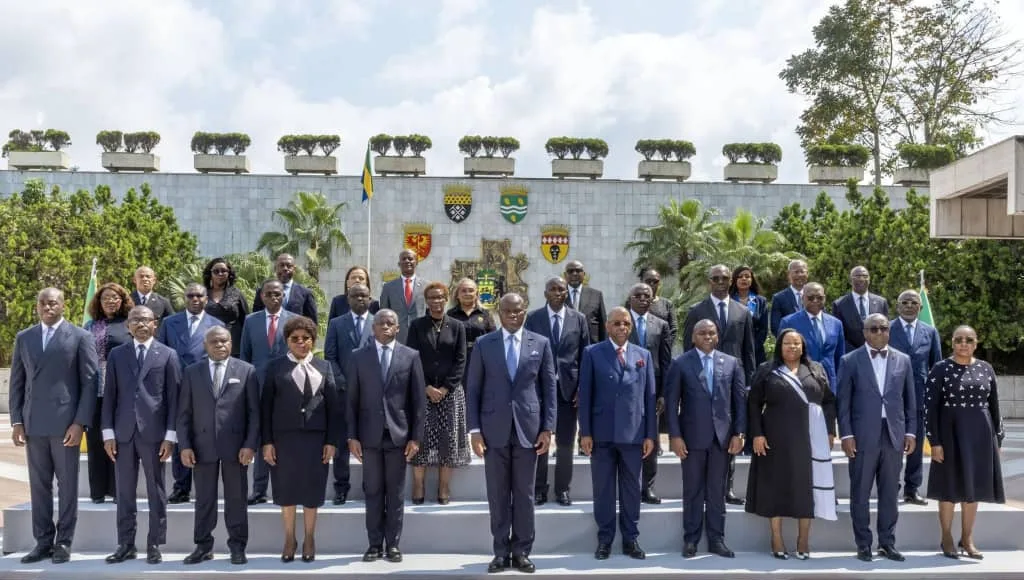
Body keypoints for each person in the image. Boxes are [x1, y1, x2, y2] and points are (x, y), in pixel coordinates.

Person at [466, 293, 557, 574]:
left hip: (528, 431)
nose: (513, 315)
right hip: (493, 431)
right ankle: (500, 552)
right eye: (507, 311)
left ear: (525, 312)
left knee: (525, 494)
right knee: (497, 494)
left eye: (518, 311)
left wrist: (548, 428)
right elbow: (473, 389)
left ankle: (522, 551)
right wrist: (475, 430)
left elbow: (549, 388)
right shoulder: (484, 344)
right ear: (499, 312)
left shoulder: (540, 344)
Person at [9, 288, 98, 565]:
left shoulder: (81, 337)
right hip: (34, 424)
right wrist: (17, 420)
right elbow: (17, 382)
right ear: (37, 306)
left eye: (53, 302)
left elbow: (90, 383)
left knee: (68, 486)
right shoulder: (25, 337)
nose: (47, 307)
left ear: (63, 305)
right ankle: (43, 541)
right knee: (39, 486)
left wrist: (80, 423)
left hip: (65, 426)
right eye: (42, 303)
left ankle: (64, 542)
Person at [746, 328, 837, 560]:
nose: (792, 347)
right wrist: (756, 434)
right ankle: (776, 537)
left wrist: (829, 430)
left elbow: (829, 402)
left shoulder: (815, 369)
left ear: (803, 346)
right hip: (774, 439)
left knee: (805, 486)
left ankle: (803, 538)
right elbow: (754, 404)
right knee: (774, 486)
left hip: (809, 440)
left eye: (797, 343)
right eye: (787, 343)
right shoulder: (767, 370)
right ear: (780, 346)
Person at [102, 305, 181, 565]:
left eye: (146, 320)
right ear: (128, 325)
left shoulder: (168, 355)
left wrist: (170, 436)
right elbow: (110, 396)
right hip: (123, 434)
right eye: (135, 320)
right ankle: (126, 544)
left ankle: (155, 544)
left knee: (156, 490)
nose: (141, 324)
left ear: (155, 324)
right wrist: (107, 433)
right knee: (124, 492)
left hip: (155, 435)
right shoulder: (116, 355)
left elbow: (174, 399)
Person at [347, 309, 427, 563]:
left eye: (390, 323)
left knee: (394, 492)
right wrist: (352, 436)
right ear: (373, 328)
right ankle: (373, 544)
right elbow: (351, 401)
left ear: (397, 328)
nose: (385, 327)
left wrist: (416, 437)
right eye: (380, 323)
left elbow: (418, 401)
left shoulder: (411, 356)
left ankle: (392, 544)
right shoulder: (359, 357)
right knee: (373, 491)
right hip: (369, 436)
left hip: (399, 436)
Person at [260, 316, 341, 563]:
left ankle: (308, 537)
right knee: (286, 490)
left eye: (306, 338)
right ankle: (288, 538)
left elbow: (334, 408)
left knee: (311, 491)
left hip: (316, 440)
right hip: (284, 440)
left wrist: (332, 441)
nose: (301, 343)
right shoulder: (275, 367)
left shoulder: (325, 367)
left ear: (312, 341)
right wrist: (267, 442)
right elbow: (265, 408)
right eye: (295, 339)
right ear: (287, 341)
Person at [837, 314, 916, 563]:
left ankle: (887, 543)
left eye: (883, 328)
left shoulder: (903, 360)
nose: (879, 332)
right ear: (864, 332)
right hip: (861, 436)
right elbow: (844, 403)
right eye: (873, 328)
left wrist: (911, 431)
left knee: (890, 492)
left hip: (893, 435)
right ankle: (863, 544)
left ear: (889, 331)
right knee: (860, 492)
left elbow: (910, 400)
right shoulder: (849, 360)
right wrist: (846, 434)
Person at [177, 327, 260, 565]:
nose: (220, 345)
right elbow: (184, 413)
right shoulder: (192, 372)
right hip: (202, 446)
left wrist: (250, 445)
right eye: (214, 342)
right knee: (204, 499)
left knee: (236, 498)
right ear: (205, 345)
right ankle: (203, 546)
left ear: (231, 343)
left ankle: (237, 546)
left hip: (236, 447)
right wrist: (185, 445)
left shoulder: (246, 371)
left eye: (224, 341)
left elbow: (254, 413)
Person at [578, 307, 656, 560]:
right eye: (617, 323)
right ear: (607, 326)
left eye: (626, 324)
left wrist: (650, 435)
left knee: (632, 489)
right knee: (603, 490)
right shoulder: (592, 353)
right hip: (601, 435)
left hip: (634, 435)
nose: (622, 327)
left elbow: (649, 397)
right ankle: (605, 540)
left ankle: (631, 539)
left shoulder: (643, 355)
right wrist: (585, 432)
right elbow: (586, 395)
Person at [665, 320, 746, 559]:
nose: (707, 336)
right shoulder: (680, 363)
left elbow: (739, 401)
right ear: (693, 337)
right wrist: (675, 436)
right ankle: (691, 539)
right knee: (692, 491)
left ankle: (716, 539)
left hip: (722, 439)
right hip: (691, 439)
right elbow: (671, 404)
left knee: (716, 492)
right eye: (702, 333)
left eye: (712, 333)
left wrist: (739, 433)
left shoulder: (732, 363)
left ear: (717, 336)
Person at [925, 325, 1005, 560]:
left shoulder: (986, 368)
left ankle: (967, 538)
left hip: (980, 437)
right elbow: (930, 409)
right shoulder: (940, 369)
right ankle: (947, 537)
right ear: (952, 342)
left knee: (973, 490)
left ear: (976, 343)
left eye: (969, 340)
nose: (963, 343)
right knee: (949, 489)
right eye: (959, 339)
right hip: (949, 436)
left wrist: (997, 441)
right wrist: (935, 441)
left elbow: (995, 407)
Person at [682, 264, 756, 505]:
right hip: (703, 381)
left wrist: (749, 384)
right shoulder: (696, 311)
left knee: (730, 433)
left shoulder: (742, 312)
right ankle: (705, 487)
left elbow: (749, 351)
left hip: (733, 381)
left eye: (725, 278)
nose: (721, 282)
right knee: (706, 435)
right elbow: (687, 349)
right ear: (709, 282)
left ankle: (727, 488)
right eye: (716, 278)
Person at [157, 283, 226, 504]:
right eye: (190, 295)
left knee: (204, 434)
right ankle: (181, 487)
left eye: (199, 295)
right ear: (184, 298)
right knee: (181, 434)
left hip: (205, 387)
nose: (195, 299)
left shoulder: (216, 325)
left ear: (207, 299)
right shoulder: (169, 323)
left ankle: (206, 487)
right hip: (176, 385)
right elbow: (161, 354)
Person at [526, 277, 590, 506]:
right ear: (545, 293)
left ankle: (563, 489)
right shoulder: (533, 318)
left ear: (567, 294)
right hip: (539, 390)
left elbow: (585, 356)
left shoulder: (579, 319)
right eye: (552, 289)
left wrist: (582, 387)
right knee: (540, 440)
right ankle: (539, 489)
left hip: (568, 390)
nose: (557, 293)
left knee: (565, 442)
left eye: (561, 289)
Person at [406, 283, 469, 504]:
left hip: (449, 393)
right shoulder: (416, 326)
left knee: (447, 440)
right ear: (427, 300)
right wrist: (425, 387)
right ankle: (419, 485)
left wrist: (444, 388)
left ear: (446, 299)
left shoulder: (457, 326)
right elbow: (411, 358)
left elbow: (461, 361)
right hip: (423, 391)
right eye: (432, 297)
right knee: (420, 438)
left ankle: (443, 487)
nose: (436, 301)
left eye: (441, 297)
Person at [239, 280, 294, 505]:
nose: (273, 297)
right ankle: (259, 489)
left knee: (283, 437)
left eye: (277, 294)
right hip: (257, 385)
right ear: (261, 296)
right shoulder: (251, 321)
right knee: (261, 436)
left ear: (283, 296)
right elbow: (245, 355)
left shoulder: (293, 320)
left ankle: (285, 489)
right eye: (268, 294)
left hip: (286, 387)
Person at [888, 290, 942, 505]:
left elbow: (936, 365)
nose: (909, 306)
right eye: (905, 302)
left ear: (920, 308)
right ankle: (892, 488)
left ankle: (912, 489)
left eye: (914, 303)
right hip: (892, 395)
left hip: (919, 396)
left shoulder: (930, 332)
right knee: (892, 445)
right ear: (898, 306)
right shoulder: (887, 329)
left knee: (916, 445)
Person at [324, 283, 375, 505]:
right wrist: (342, 381)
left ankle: (369, 487)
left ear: (370, 298)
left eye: (364, 296)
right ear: (348, 298)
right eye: (355, 296)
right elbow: (330, 355)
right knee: (344, 440)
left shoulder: (378, 323)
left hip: (370, 392)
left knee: (368, 440)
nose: (360, 299)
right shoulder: (336, 324)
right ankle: (341, 487)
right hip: (343, 391)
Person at [84, 282, 134, 504]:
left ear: (123, 301)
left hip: (122, 389)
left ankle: (117, 490)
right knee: (95, 440)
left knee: (120, 440)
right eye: (106, 298)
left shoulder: (129, 324)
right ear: (98, 302)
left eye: (115, 298)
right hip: (94, 389)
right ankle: (97, 492)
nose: (111, 301)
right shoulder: (90, 325)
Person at [626, 283, 673, 504]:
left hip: (652, 390)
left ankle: (648, 487)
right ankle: (630, 485)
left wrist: (664, 393)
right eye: (638, 295)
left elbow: (665, 361)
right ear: (630, 298)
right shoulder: (621, 321)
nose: (643, 299)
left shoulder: (661, 325)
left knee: (651, 439)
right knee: (628, 440)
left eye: (647, 296)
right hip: (626, 390)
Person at [779, 283, 845, 392]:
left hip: (830, 383)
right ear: (802, 298)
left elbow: (840, 356)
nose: (815, 301)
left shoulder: (836, 323)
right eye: (810, 298)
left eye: (819, 297)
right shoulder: (788, 322)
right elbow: (782, 356)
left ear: (824, 298)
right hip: (800, 382)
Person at [831, 266, 890, 352]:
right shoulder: (839, 304)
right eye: (858, 276)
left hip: (877, 352)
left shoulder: (881, 302)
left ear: (869, 280)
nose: (862, 279)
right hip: (851, 356)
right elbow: (840, 335)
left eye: (865, 276)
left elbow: (885, 329)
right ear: (850, 280)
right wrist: (857, 353)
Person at [252, 253, 318, 323]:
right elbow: (256, 318)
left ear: (294, 269)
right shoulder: (262, 291)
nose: (285, 268)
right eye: (281, 265)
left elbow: (312, 322)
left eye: (289, 266)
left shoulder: (305, 293)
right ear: (275, 268)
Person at [203, 257, 249, 356]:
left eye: (223, 271)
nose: (220, 274)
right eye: (216, 271)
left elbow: (246, 320)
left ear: (229, 274)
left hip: (234, 344)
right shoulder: (202, 294)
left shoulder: (237, 293)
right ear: (210, 274)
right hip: (208, 342)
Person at [378, 249, 426, 344]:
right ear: (399, 264)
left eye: (410, 259)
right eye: (404, 259)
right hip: (396, 337)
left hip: (420, 336)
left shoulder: (426, 286)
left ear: (416, 262)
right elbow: (383, 313)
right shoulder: (388, 287)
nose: (407, 261)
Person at [447, 277, 496, 359]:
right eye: (463, 291)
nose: (467, 293)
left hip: (481, 356)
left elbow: (493, 338)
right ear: (457, 295)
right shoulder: (450, 314)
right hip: (458, 358)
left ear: (476, 294)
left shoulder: (486, 314)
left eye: (471, 290)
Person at [730, 266, 768, 366]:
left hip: (756, 351)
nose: (744, 279)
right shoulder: (728, 300)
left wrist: (753, 347)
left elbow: (763, 329)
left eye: (747, 276)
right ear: (734, 280)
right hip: (733, 350)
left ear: (752, 280)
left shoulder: (760, 301)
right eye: (740, 276)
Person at [564, 260, 607, 343]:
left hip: (591, 345)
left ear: (584, 274)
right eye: (570, 271)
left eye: (578, 271)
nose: (574, 274)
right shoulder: (557, 295)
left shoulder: (596, 295)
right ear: (565, 275)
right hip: (566, 348)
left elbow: (603, 325)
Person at [769, 259, 808, 336]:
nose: (800, 275)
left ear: (807, 274)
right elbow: (775, 326)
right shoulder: (779, 298)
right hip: (790, 344)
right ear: (789, 274)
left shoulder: (815, 296)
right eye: (796, 272)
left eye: (802, 272)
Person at [640, 268, 677, 346]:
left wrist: (665, 347)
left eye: (655, 281)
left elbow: (673, 329)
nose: (652, 284)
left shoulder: (667, 304)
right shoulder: (634, 303)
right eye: (648, 281)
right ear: (641, 282)